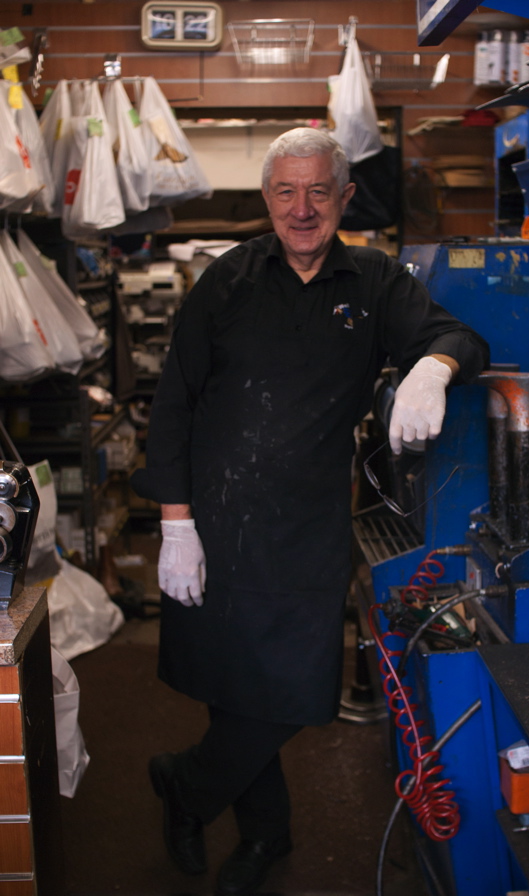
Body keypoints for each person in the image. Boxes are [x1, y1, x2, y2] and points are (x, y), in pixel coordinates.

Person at [130, 127, 489, 895]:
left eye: (318, 192)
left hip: (307, 529)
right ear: (267, 198)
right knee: (233, 687)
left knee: (294, 690)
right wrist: (175, 524)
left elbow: (456, 335)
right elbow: (174, 406)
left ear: (345, 197)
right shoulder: (227, 281)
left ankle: (185, 784)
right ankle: (267, 834)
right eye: (286, 192)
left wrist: (432, 368)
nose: (302, 209)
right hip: (215, 525)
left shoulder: (375, 281)